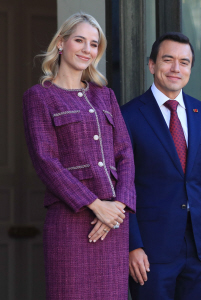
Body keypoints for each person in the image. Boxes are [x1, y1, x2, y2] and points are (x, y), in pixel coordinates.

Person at [22, 12, 135, 299]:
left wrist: (118, 206)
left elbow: (125, 154)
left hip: (113, 224)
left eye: (94, 44)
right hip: (70, 223)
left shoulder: (105, 95)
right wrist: (96, 205)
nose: (87, 49)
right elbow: (46, 161)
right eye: (80, 40)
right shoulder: (39, 96)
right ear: (61, 43)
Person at [121, 32, 201, 300]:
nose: (175, 68)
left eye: (184, 62)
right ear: (152, 65)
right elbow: (124, 186)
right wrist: (132, 245)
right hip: (150, 252)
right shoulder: (128, 115)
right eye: (167, 60)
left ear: (191, 68)